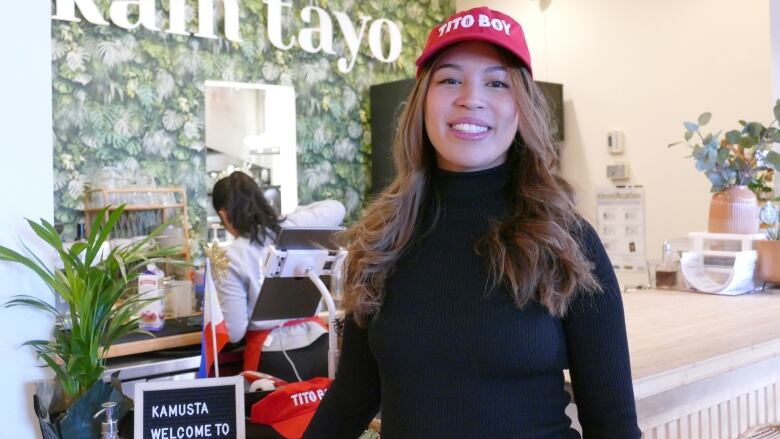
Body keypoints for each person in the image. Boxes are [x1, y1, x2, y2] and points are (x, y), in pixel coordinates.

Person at [305, 6, 640, 438]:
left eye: (497, 82)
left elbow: (612, 423)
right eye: (449, 79)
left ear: (521, 108)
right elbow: (352, 395)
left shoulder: (568, 241)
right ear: (422, 101)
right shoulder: (381, 241)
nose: (471, 97)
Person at [212, 171, 346, 381]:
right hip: (319, 346)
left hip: (271, 358)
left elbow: (234, 332)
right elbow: (338, 208)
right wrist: (290, 218)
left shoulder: (230, 256)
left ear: (223, 215)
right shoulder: (292, 228)